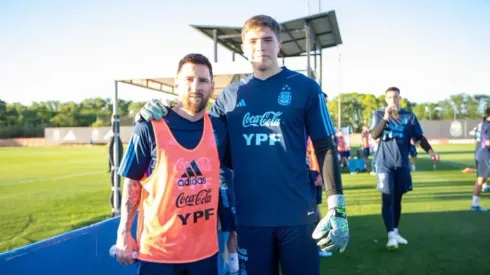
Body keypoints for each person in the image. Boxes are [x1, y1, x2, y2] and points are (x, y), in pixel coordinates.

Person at [136, 14, 349, 275]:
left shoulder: (305, 87)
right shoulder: (229, 96)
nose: (261, 47)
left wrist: (336, 206)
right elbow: (200, 131)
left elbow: (325, 147)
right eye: (253, 41)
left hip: (297, 215)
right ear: (243, 48)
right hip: (249, 219)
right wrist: (157, 111)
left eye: (268, 40)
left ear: (279, 44)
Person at [114, 53, 235, 275]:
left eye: (203, 80)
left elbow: (234, 173)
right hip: (158, 254)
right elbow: (132, 183)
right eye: (188, 79)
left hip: (204, 254)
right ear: (176, 83)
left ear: (212, 86)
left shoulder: (220, 129)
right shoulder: (149, 126)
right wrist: (123, 233)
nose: (195, 86)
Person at [369, 87, 439, 250]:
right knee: (387, 198)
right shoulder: (379, 115)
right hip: (384, 164)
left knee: (398, 199)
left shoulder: (409, 116)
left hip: (402, 164)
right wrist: (386, 118)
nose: (393, 100)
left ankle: (395, 231)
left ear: (399, 98)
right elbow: (374, 135)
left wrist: (430, 151)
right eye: (389, 97)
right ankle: (390, 235)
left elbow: (419, 137)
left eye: (395, 97)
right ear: (385, 99)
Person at [471, 108, 490, 210]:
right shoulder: (488, 125)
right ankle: (475, 205)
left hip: (481, 154)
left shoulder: (484, 123)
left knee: (481, 179)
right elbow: (488, 142)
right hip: (485, 155)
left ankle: (475, 204)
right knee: (480, 180)